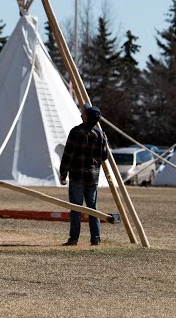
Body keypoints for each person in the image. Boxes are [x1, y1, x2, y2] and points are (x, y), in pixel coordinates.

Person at [58, 104, 109, 246]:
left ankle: (74, 239)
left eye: (84, 114)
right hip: (93, 177)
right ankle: (96, 238)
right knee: (92, 208)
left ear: (87, 117)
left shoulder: (76, 132)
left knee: (76, 208)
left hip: (77, 176)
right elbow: (104, 156)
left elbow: (68, 155)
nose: (82, 115)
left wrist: (63, 173)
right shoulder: (101, 134)